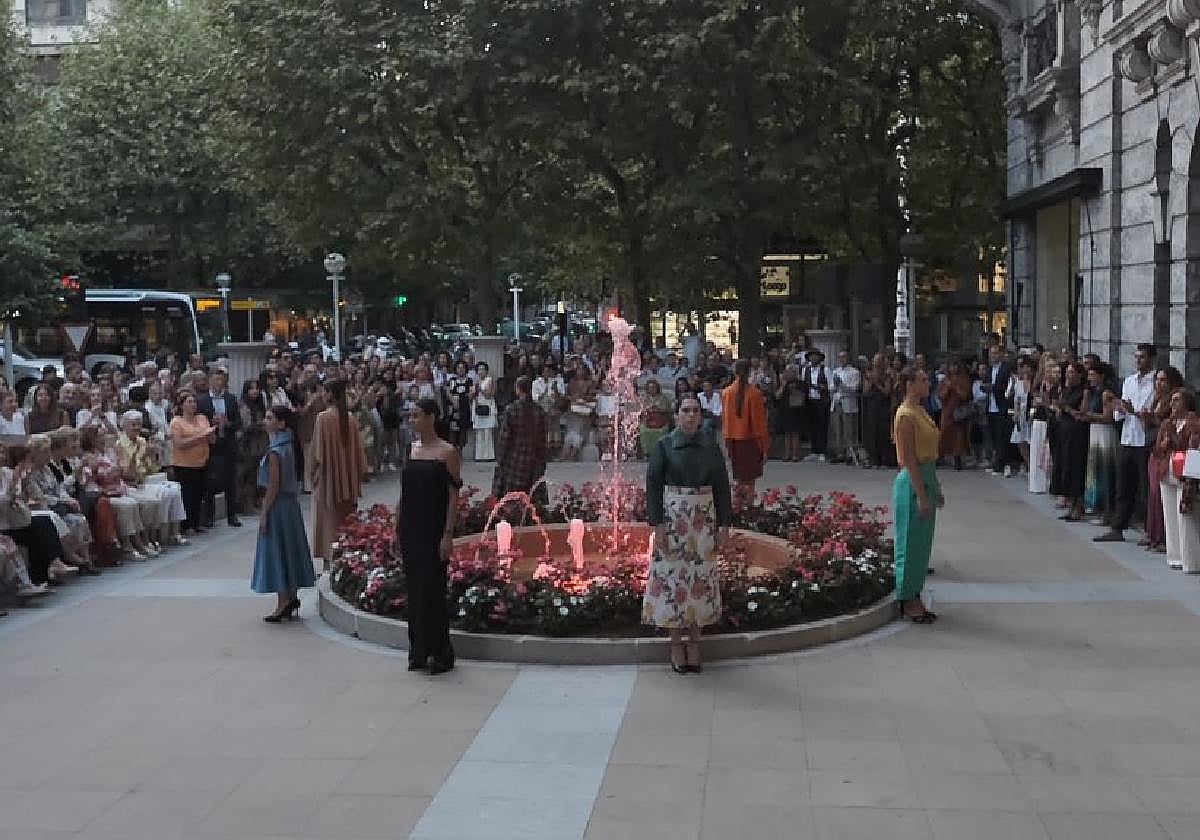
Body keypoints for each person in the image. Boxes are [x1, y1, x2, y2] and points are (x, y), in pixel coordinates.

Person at [643, 396, 731, 674]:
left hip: (703, 521)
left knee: (700, 581)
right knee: (673, 582)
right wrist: (657, 525)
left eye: (696, 411)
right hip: (673, 520)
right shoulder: (664, 445)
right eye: (686, 411)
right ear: (677, 415)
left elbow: (722, 487)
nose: (691, 416)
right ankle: (675, 644)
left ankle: (695, 642)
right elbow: (653, 485)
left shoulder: (711, 446)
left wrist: (725, 525)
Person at [394, 398, 462, 674]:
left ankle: (439, 652)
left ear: (431, 418)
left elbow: (453, 498)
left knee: (433, 590)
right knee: (414, 590)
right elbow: (404, 493)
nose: (412, 421)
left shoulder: (448, 452)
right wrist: (396, 525)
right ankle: (418, 650)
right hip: (411, 526)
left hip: (433, 528)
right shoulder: (413, 449)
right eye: (410, 417)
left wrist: (448, 534)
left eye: (417, 416)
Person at [252, 406, 316, 622]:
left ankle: (283, 601)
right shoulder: (290, 445)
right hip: (290, 506)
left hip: (279, 506)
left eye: (270, 418)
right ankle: (292, 595)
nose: (265, 421)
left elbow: (273, 485)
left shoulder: (276, 451)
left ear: (281, 423)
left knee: (277, 552)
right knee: (290, 550)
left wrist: (264, 513)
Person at [892, 368, 943, 623]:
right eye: (923, 380)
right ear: (909, 384)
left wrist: (936, 488)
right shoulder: (905, 415)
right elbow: (908, 458)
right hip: (913, 481)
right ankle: (906, 596)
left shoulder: (921, 411)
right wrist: (922, 495)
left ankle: (915, 592)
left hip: (927, 476)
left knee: (922, 544)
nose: (928, 383)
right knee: (909, 542)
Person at [1097, 344, 1157, 542]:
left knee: (1145, 487)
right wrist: (1119, 409)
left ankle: (1149, 529)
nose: (1138, 360)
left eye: (1143, 357)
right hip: (1128, 437)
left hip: (1144, 440)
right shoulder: (1129, 381)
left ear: (1151, 359)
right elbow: (1120, 410)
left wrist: (1133, 410)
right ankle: (1118, 526)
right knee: (1124, 484)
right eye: (1137, 357)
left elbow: (1150, 413)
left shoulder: (1156, 383)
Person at [309, 379, 367, 567]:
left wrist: (313, 476)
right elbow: (360, 453)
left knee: (327, 521)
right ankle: (347, 558)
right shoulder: (350, 418)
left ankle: (329, 561)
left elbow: (316, 454)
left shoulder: (323, 418)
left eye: (326, 391)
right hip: (347, 479)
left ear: (331, 394)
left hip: (328, 479)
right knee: (345, 519)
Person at [1156, 389, 1200, 572]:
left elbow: (1191, 447)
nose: (1172, 403)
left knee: (1186, 516)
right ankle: (1175, 556)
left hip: (1185, 472)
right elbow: (1158, 449)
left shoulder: (1193, 423)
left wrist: (1171, 434)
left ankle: (1191, 560)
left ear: (1187, 402)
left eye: (1177, 400)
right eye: (1172, 400)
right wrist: (1163, 444)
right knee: (1170, 515)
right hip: (1168, 469)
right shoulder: (1168, 422)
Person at [196, 368, 243, 528]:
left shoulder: (230, 399)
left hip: (228, 443)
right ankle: (209, 516)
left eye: (221, 380)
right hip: (211, 444)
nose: (219, 383)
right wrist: (211, 423)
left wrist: (226, 424)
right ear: (210, 381)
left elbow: (238, 422)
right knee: (210, 481)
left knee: (231, 480)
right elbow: (198, 422)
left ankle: (232, 515)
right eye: (216, 380)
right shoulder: (202, 401)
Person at [492, 376, 548, 501]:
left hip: (514, 458)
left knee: (511, 498)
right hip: (533, 458)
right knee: (531, 499)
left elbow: (504, 438)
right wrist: (542, 461)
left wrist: (500, 459)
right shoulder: (539, 411)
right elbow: (543, 440)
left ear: (518, 389)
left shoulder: (512, 410)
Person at [722, 359, 770, 498]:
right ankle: (747, 510)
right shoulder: (755, 394)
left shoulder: (726, 393)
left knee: (738, 480)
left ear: (734, 372)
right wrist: (764, 447)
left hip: (733, 440)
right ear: (749, 372)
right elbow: (759, 424)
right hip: (750, 441)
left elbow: (725, 420)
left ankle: (738, 508)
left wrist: (726, 442)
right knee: (749, 482)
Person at [169, 392, 214, 535]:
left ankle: (196, 522)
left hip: (202, 462)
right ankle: (185, 525)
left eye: (194, 402)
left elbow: (211, 439)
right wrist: (201, 436)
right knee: (187, 496)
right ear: (182, 405)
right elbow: (179, 443)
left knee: (199, 494)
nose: (192, 405)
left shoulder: (202, 418)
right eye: (189, 402)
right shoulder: (177, 422)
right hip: (184, 464)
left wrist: (211, 434)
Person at [830, 351, 861, 463]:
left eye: (844, 357)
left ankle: (851, 453)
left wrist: (842, 385)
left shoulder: (854, 372)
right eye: (840, 357)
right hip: (837, 402)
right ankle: (840, 452)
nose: (842, 359)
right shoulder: (835, 371)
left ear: (847, 358)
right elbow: (832, 388)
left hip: (848, 403)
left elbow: (854, 388)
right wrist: (835, 386)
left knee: (849, 430)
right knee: (838, 429)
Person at [800, 349, 831, 462]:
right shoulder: (805, 370)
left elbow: (831, 386)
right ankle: (814, 450)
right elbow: (804, 384)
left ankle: (822, 451)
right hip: (810, 400)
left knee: (822, 426)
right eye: (811, 356)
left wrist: (823, 387)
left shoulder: (825, 370)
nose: (813, 358)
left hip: (822, 401)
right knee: (812, 426)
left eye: (815, 356)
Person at [638, 379, 673, 459]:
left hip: (661, 420)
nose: (652, 389)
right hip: (648, 420)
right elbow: (641, 410)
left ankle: (661, 452)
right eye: (650, 388)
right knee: (644, 430)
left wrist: (657, 409)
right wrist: (648, 410)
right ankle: (647, 453)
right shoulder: (644, 398)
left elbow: (667, 410)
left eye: (653, 387)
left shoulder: (663, 398)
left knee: (662, 431)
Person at [471, 376, 499, 462]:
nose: (481, 371)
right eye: (479, 369)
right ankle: (479, 456)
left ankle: (489, 455)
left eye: (483, 369)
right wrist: (473, 392)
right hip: (478, 408)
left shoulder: (490, 380)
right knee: (479, 434)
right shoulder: (475, 381)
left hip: (488, 408)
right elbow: (471, 396)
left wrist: (480, 389)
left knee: (488, 433)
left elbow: (489, 395)